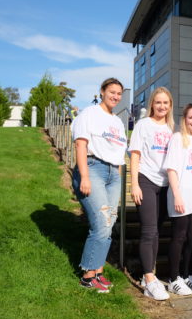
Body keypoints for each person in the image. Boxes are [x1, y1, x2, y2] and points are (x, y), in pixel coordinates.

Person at [71, 78, 127, 293]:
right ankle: (87, 277)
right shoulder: (89, 114)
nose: (115, 96)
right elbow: (81, 144)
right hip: (93, 168)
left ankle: (98, 272)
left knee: (109, 222)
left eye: (119, 93)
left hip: (114, 173)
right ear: (102, 92)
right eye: (112, 92)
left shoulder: (117, 121)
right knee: (101, 223)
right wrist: (84, 176)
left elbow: (118, 152)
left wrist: (119, 176)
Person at [129, 86, 174, 301]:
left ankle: (151, 273)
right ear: (152, 104)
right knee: (148, 231)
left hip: (165, 185)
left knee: (157, 231)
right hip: (146, 180)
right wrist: (134, 184)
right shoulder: (143, 125)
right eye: (158, 102)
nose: (162, 106)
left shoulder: (172, 128)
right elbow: (135, 155)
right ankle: (149, 280)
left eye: (166, 103)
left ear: (170, 105)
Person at [163, 104, 192, 295]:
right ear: (184, 119)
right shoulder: (178, 138)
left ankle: (187, 276)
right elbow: (171, 169)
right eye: (191, 118)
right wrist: (177, 195)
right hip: (182, 196)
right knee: (179, 237)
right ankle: (173, 278)